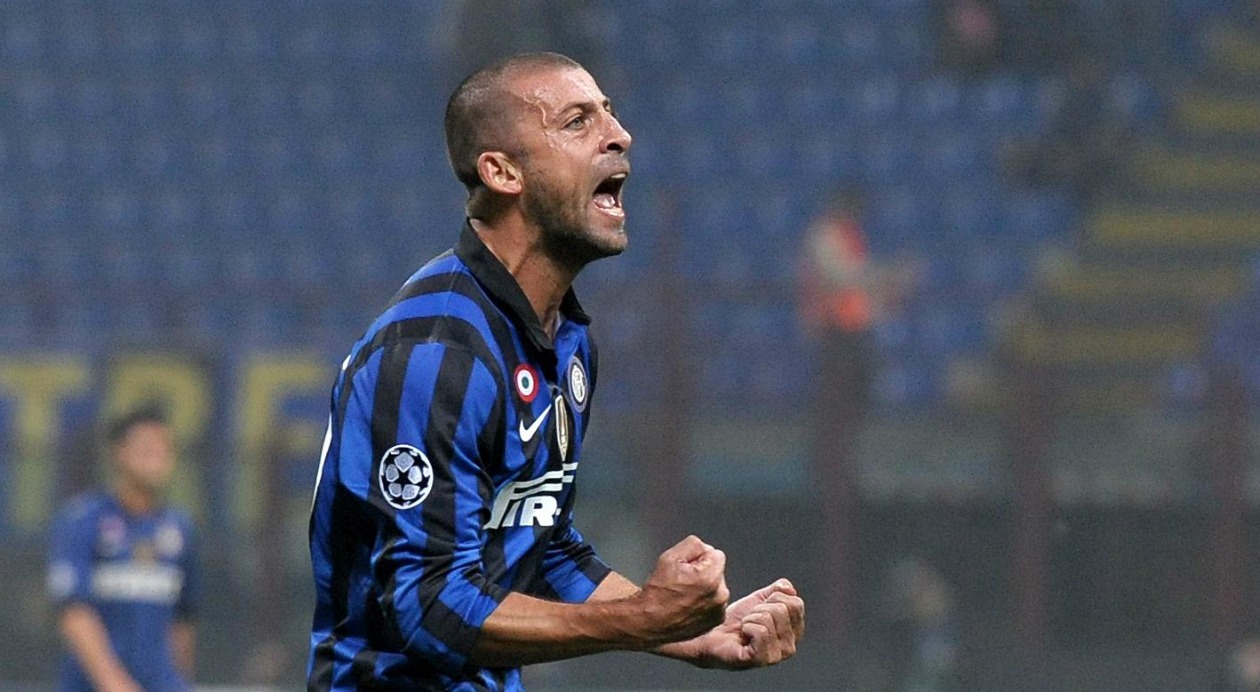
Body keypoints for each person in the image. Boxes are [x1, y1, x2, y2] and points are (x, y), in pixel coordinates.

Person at [307, 52, 805, 690]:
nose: (618, 135)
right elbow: (427, 608)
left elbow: (541, 544)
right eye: (577, 122)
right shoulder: (436, 352)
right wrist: (643, 618)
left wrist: (688, 633)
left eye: (609, 113)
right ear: (502, 171)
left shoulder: (566, 341)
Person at [47, 406, 198, 692]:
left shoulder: (180, 529)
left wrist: (180, 682)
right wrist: (113, 683)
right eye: (146, 447)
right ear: (120, 452)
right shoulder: (83, 520)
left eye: (164, 447)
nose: (157, 456)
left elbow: (183, 620)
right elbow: (74, 612)